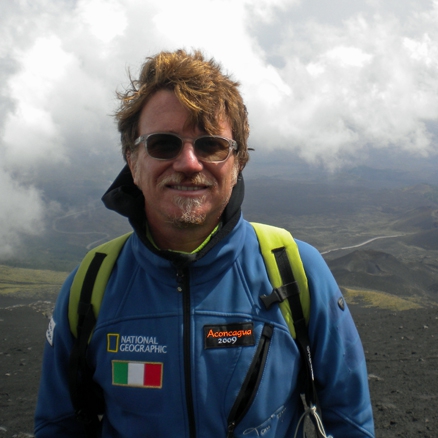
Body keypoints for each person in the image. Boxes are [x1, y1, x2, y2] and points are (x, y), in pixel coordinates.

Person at [34, 49, 375, 437]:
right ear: (132, 159)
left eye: (211, 146)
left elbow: (349, 419)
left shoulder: (295, 270)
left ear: (239, 162)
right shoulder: (91, 283)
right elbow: (57, 424)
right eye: (164, 144)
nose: (189, 163)